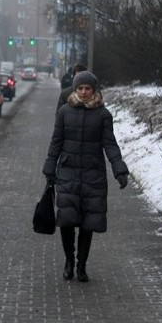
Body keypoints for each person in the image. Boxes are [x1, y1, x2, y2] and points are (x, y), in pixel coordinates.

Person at [42, 70, 129, 282]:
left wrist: (119, 169)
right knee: (66, 220)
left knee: (88, 223)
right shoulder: (64, 112)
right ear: (75, 89)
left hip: (93, 175)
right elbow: (56, 141)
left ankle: (82, 265)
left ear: (93, 90)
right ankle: (69, 261)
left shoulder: (103, 115)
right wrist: (49, 167)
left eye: (87, 88)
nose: (83, 92)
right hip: (68, 172)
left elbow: (110, 144)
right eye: (80, 88)